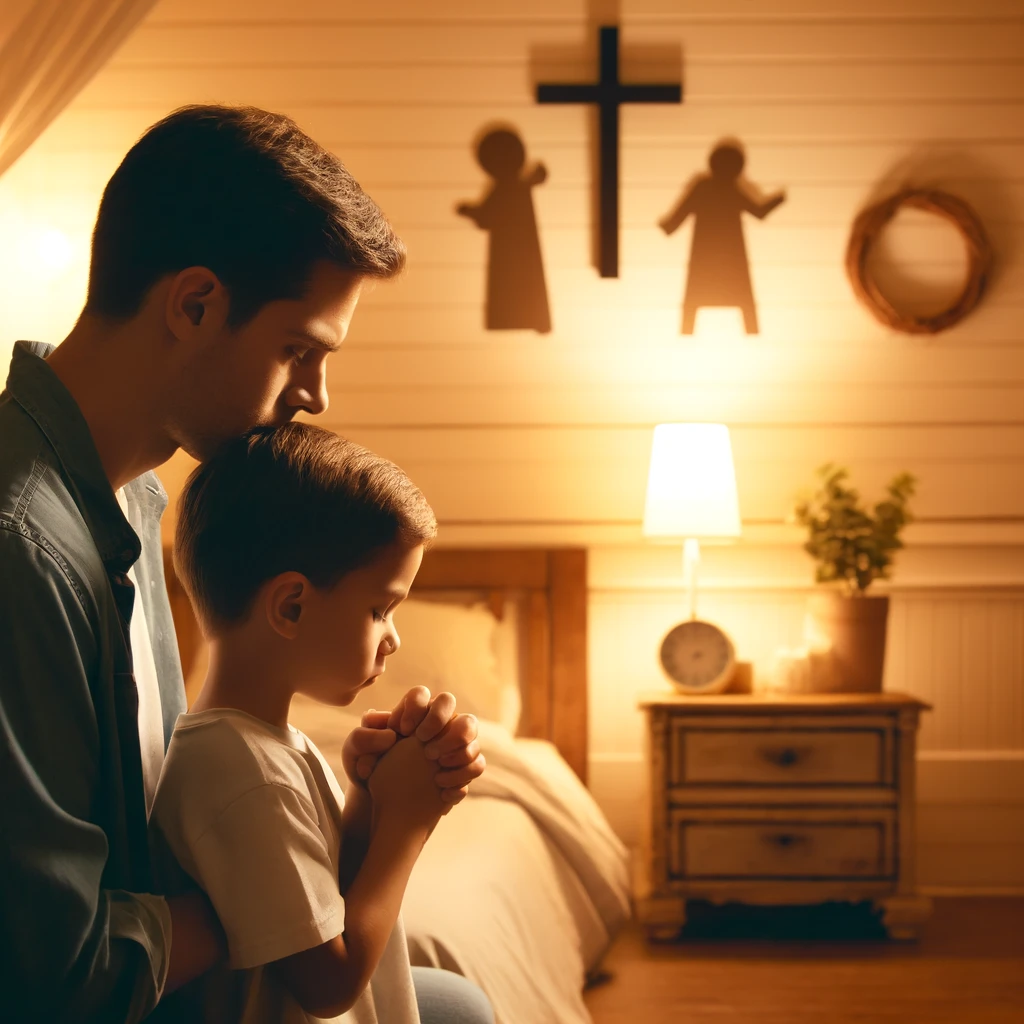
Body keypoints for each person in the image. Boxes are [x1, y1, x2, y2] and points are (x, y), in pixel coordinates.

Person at [0, 103, 485, 1022]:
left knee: (451, 1000)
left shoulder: (134, 507)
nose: (315, 395)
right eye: (299, 349)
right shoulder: (23, 551)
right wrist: (257, 891)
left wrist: (353, 811)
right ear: (194, 304)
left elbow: (167, 823)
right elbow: (55, 978)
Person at [151, 423, 493, 1024]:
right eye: (379, 608)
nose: (393, 638)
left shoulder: (267, 743)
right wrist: (409, 825)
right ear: (292, 606)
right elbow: (329, 983)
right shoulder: (243, 774)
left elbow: (326, 897)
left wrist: (370, 796)